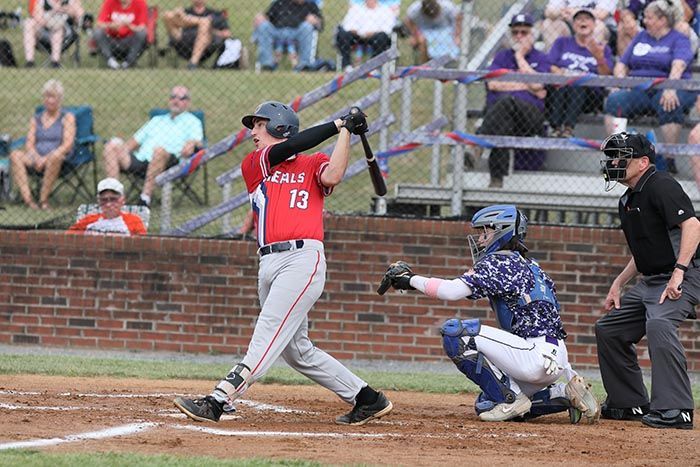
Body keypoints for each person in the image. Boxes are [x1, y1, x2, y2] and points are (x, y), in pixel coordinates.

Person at [173, 102, 394, 426]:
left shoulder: (313, 163)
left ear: (279, 126)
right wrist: (339, 123)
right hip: (268, 262)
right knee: (296, 351)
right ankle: (367, 398)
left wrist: (347, 131)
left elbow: (333, 173)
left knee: (267, 334)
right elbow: (292, 147)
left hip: (302, 259)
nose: (252, 133)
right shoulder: (257, 164)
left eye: (259, 126)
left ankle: (219, 400)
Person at [377, 204, 599, 423]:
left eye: (486, 231)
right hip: (553, 358)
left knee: (456, 333)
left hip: (533, 356)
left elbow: (451, 291)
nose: (481, 239)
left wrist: (409, 279)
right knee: (487, 402)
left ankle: (513, 399)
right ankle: (562, 393)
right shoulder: (531, 265)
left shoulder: (501, 261)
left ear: (503, 231)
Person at [597, 132, 699, 430]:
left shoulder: (661, 184)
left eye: (620, 157)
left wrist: (679, 272)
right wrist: (619, 282)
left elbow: (693, 226)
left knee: (659, 323)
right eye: (612, 156)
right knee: (609, 329)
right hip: (653, 279)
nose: (614, 162)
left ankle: (677, 409)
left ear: (643, 162)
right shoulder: (628, 198)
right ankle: (630, 402)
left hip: (688, 272)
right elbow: (645, 249)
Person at [604, 0, 696, 175]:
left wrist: (670, 87)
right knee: (615, 101)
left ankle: (669, 159)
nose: (644, 21)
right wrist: (620, 82)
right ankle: (618, 155)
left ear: (662, 20)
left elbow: (679, 65)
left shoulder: (679, 39)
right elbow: (622, 64)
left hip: (670, 86)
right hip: (639, 88)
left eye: (649, 17)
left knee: (669, 104)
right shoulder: (641, 37)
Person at [476, 14, 550, 188]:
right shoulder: (501, 57)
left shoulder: (541, 57)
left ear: (532, 34)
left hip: (530, 118)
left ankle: (477, 145)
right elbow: (493, 84)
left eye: (524, 32)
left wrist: (519, 58)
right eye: (515, 32)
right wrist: (526, 85)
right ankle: (497, 179)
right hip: (503, 120)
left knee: (506, 102)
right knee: (504, 116)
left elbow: (539, 85)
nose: (519, 36)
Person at [102, 85, 203, 207]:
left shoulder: (193, 122)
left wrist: (192, 144)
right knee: (110, 147)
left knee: (159, 151)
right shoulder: (156, 120)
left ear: (188, 102)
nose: (176, 101)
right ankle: (114, 197)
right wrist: (117, 146)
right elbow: (132, 143)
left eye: (181, 98)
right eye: (173, 97)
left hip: (169, 163)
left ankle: (145, 199)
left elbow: (198, 142)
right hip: (142, 160)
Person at [10, 79, 75, 210]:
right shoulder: (36, 119)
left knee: (55, 157)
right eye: (47, 96)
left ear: (60, 99)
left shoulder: (67, 117)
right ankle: (28, 200)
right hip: (35, 158)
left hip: (58, 159)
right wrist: (35, 157)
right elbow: (29, 143)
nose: (50, 100)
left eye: (53, 97)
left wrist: (46, 159)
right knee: (15, 155)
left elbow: (67, 144)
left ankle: (43, 200)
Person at [547, 9, 613, 137]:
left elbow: (605, 74)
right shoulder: (562, 42)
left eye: (587, 18)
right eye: (578, 19)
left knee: (578, 85)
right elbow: (550, 65)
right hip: (562, 88)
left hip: (589, 95)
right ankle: (555, 127)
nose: (583, 21)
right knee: (563, 84)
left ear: (594, 25)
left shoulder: (602, 48)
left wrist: (599, 57)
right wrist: (562, 73)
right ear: (573, 24)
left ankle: (568, 128)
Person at [252, 0, 323, 71]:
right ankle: (267, 64)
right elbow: (267, 18)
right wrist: (261, 19)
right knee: (264, 26)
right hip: (277, 33)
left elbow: (321, 26)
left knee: (307, 27)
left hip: (298, 33)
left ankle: (305, 66)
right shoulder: (279, 3)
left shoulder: (311, 5)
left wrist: (315, 21)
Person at [162, 0, 231, 69]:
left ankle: (193, 63)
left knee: (205, 23)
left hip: (206, 47)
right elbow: (169, 18)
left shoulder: (215, 14)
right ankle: (200, 20)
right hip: (183, 43)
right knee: (167, 15)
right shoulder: (185, 12)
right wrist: (177, 13)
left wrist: (210, 30)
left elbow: (227, 33)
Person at [67, 177, 146, 235]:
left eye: (113, 199)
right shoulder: (88, 221)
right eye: (104, 200)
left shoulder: (134, 221)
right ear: (98, 201)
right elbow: (68, 238)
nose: (108, 204)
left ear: (123, 200)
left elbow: (143, 246)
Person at [335, 0, 395, 71]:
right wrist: (357, 31)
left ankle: (373, 67)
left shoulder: (385, 10)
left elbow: (388, 29)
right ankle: (347, 66)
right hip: (356, 36)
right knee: (342, 34)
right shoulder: (356, 9)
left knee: (382, 37)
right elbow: (347, 25)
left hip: (375, 36)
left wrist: (372, 33)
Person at [23, 0, 85, 68]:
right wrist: (52, 12)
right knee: (28, 23)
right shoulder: (42, 1)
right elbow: (37, 16)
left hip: (65, 34)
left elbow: (80, 15)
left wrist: (67, 10)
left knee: (57, 28)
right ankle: (30, 62)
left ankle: (55, 62)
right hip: (44, 30)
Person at [540, 0, 616, 52]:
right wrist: (559, 12)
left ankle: (591, 65)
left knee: (598, 26)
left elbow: (601, 14)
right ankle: (554, 67)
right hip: (570, 26)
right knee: (549, 23)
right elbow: (549, 11)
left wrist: (573, 12)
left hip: (598, 27)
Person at [94, 0, 148, 69]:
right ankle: (111, 61)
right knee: (98, 32)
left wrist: (129, 26)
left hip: (130, 41)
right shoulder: (109, 2)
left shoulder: (140, 2)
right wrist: (110, 25)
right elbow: (99, 24)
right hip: (112, 40)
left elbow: (142, 27)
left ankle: (128, 62)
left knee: (142, 33)